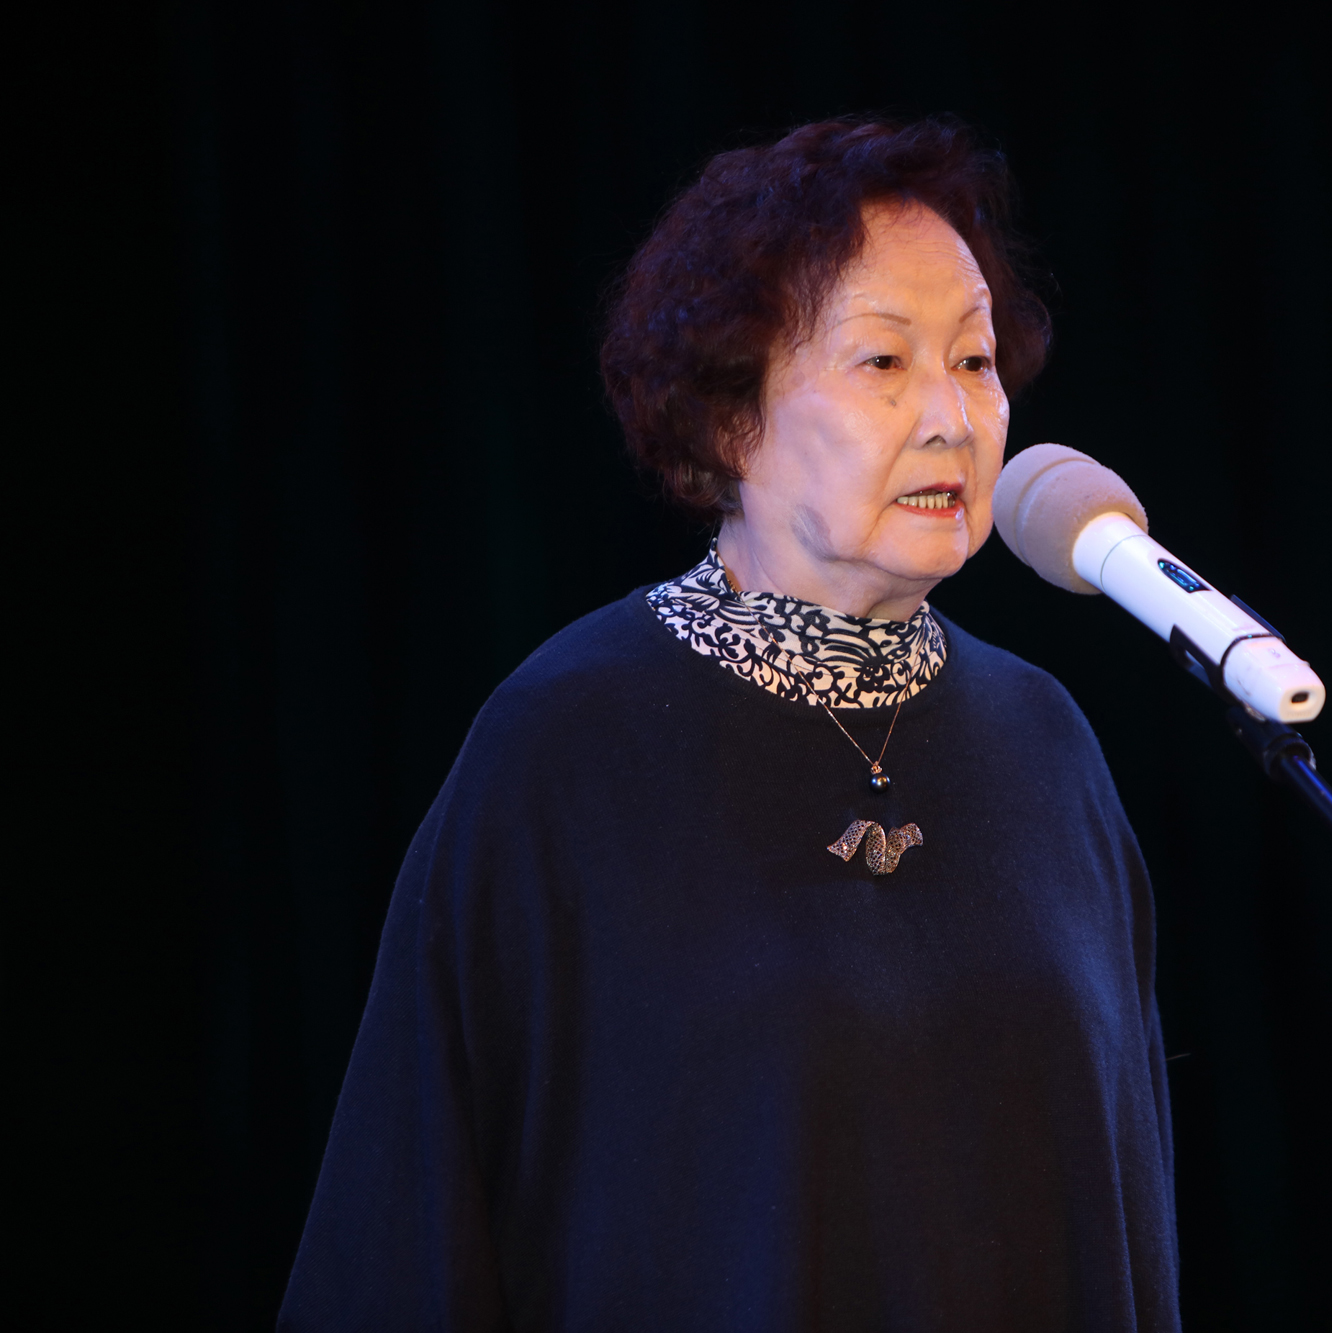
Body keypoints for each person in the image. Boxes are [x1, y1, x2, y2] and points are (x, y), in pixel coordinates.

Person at [279, 118, 1179, 1332]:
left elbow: (1124, 1221)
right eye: (882, 361)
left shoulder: (1045, 743)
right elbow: (416, 1220)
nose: (951, 418)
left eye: (973, 361)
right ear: (727, 415)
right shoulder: (565, 747)